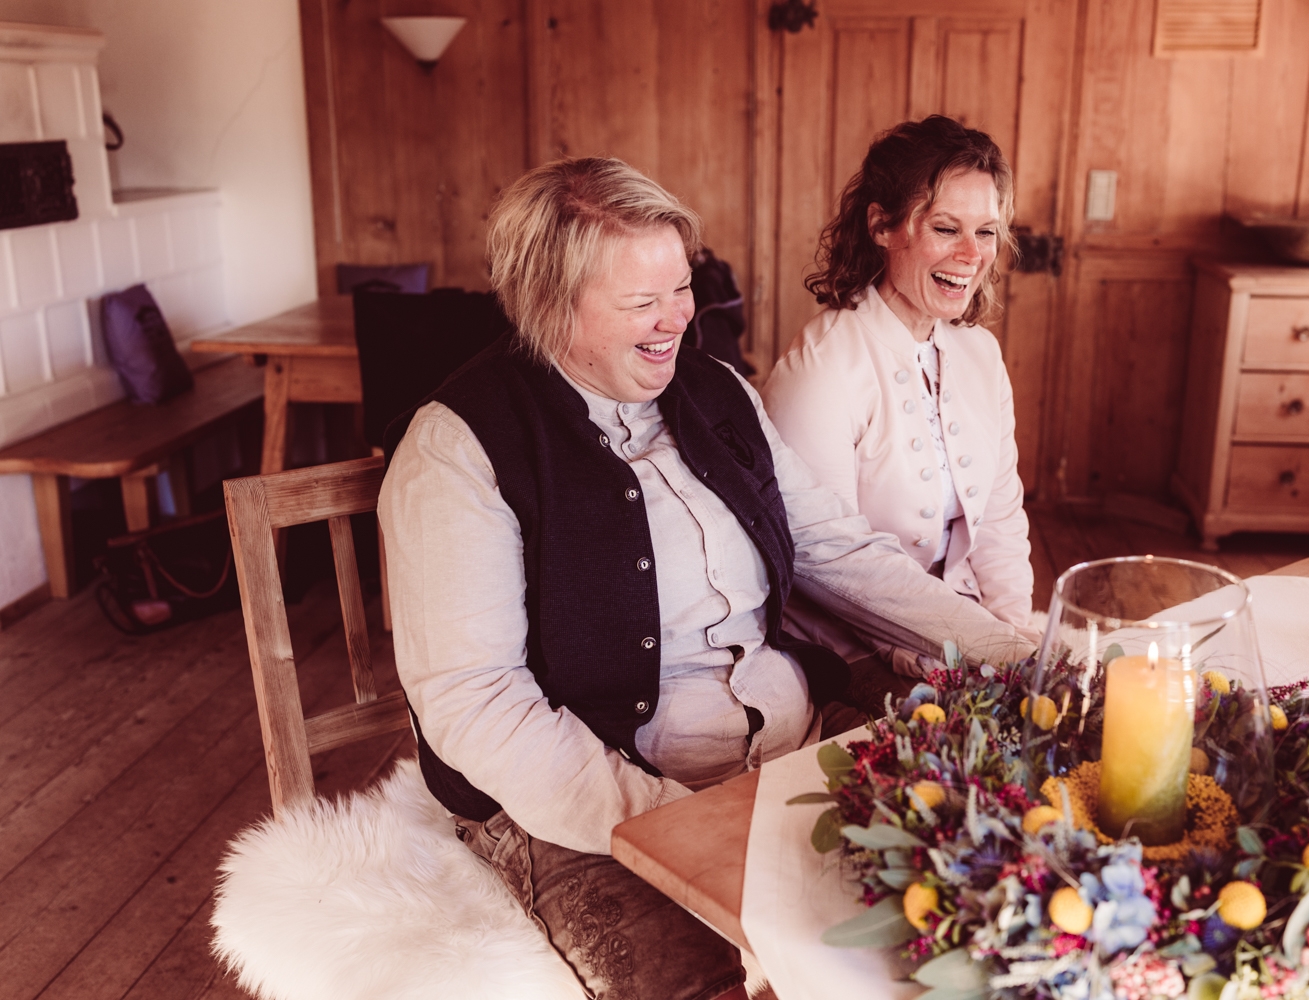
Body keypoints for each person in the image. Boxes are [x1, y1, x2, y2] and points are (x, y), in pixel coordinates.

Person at [378, 157, 1033, 1000]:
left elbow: (836, 548)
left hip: (790, 746)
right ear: (549, 304)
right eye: (642, 304)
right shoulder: (459, 447)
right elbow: (476, 699)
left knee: (957, 916)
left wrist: (1019, 653)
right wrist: (675, 829)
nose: (677, 321)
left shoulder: (716, 390)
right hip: (588, 810)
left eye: (681, 289)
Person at [761, 116, 1035, 672]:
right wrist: (975, 655)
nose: (972, 254)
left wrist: (1018, 637)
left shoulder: (980, 355)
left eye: (985, 231)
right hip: (852, 650)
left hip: (966, 632)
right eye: (944, 228)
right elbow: (827, 567)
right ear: (882, 226)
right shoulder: (822, 367)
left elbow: (1000, 521)